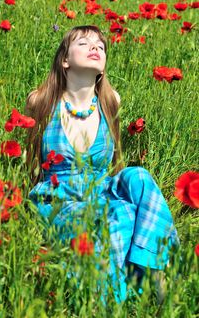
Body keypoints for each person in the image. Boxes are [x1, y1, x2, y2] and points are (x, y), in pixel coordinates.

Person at [25, 25, 180, 304]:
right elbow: (30, 155)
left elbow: (117, 167)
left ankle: (157, 280)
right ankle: (110, 297)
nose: (95, 47)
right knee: (116, 217)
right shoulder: (42, 101)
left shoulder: (110, 101)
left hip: (100, 188)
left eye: (101, 45)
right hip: (58, 196)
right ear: (65, 60)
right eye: (83, 43)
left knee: (140, 177)